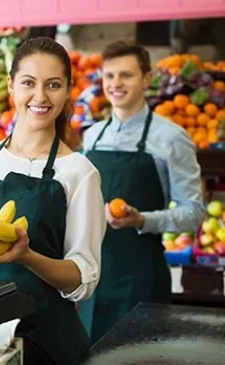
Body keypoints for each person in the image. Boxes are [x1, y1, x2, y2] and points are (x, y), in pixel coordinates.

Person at [0, 37, 107, 365]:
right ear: (11, 86)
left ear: (69, 89)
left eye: (53, 85)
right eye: (28, 83)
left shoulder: (80, 172)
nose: (40, 97)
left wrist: (27, 256)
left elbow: (83, 277)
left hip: (45, 340)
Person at [78, 40, 206, 344]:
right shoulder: (92, 136)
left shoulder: (172, 138)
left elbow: (194, 212)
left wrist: (143, 220)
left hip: (140, 280)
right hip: (91, 281)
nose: (115, 84)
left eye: (126, 75)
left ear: (147, 79)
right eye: (109, 76)